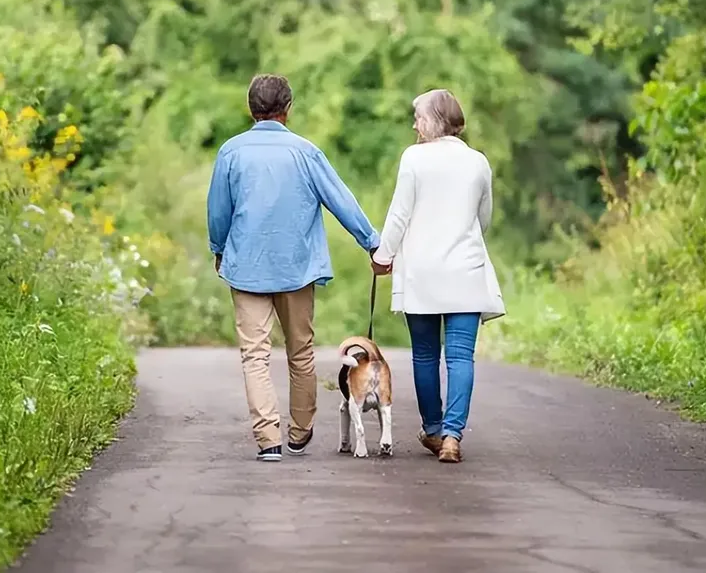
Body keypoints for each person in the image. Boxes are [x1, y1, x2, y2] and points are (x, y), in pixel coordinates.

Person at [207, 74, 380, 462]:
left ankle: (268, 438)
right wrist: (372, 241)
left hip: (246, 266)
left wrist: (219, 249)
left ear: (251, 109)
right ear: (288, 109)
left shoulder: (231, 152)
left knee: (255, 355)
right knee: (300, 351)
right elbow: (340, 200)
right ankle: (300, 432)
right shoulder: (306, 152)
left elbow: (218, 211)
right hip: (296, 267)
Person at [371, 89, 505, 463]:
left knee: (426, 355)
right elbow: (485, 219)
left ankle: (432, 429)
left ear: (433, 120)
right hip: (465, 269)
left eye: (418, 117)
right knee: (461, 356)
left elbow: (399, 214)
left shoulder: (414, 158)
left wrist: (383, 256)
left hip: (423, 272)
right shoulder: (478, 162)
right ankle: (452, 436)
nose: (414, 124)